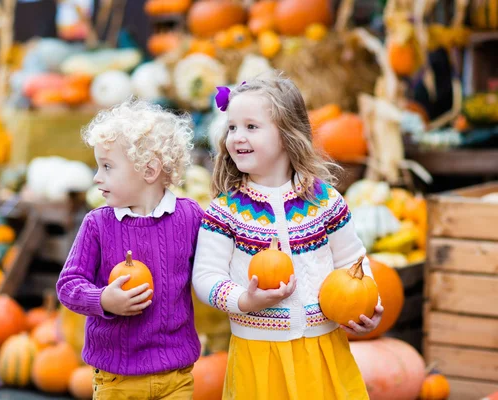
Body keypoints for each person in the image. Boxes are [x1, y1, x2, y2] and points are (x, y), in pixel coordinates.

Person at [192, 74, 384, 399]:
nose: (238, 136)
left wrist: (368, 303)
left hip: (323, 349)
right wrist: (244, 300)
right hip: (260, 354)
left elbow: (353, 260)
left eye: (251, 127)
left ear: (286, 134)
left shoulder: (325, 202)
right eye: (232, 128)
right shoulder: (225, 212)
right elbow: (205, 277)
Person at [57, 99, 203, 400]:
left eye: (107, 167)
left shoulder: (190, 217)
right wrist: (103, 300)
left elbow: (213, 265)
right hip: (117, 379)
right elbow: (68, 285)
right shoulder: (98, 224)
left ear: (149, 170)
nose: (97, 177)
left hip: (176, 376)